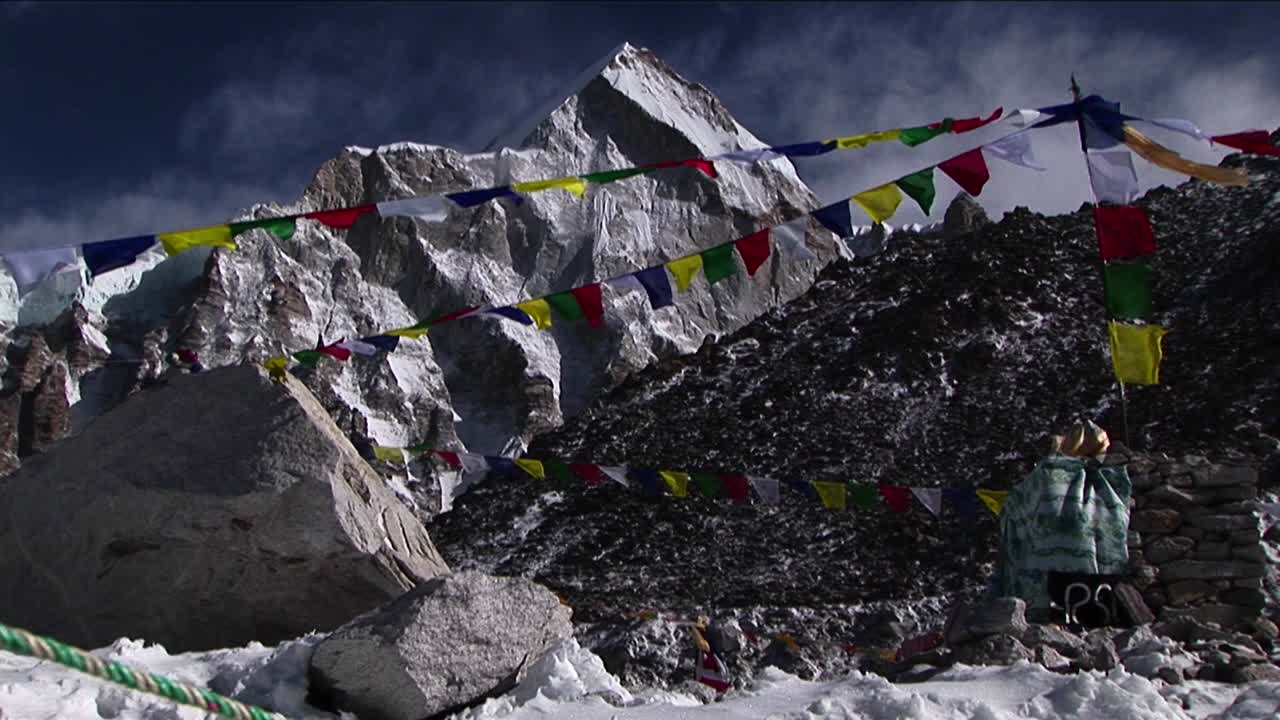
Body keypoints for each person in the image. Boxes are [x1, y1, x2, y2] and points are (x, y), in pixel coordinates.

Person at [991, 419, 1132, 623]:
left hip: (1044, 571)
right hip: (1092, 576)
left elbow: (1014, 509)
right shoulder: (1106, 483)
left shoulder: (1044, 476)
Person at [690, 616, 731, 694]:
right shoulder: (723, 680)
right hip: (710, 669)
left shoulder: (723, 680)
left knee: (706, 647)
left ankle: (700, 625)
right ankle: (700, 625)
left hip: (708, 673)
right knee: (707, 647)